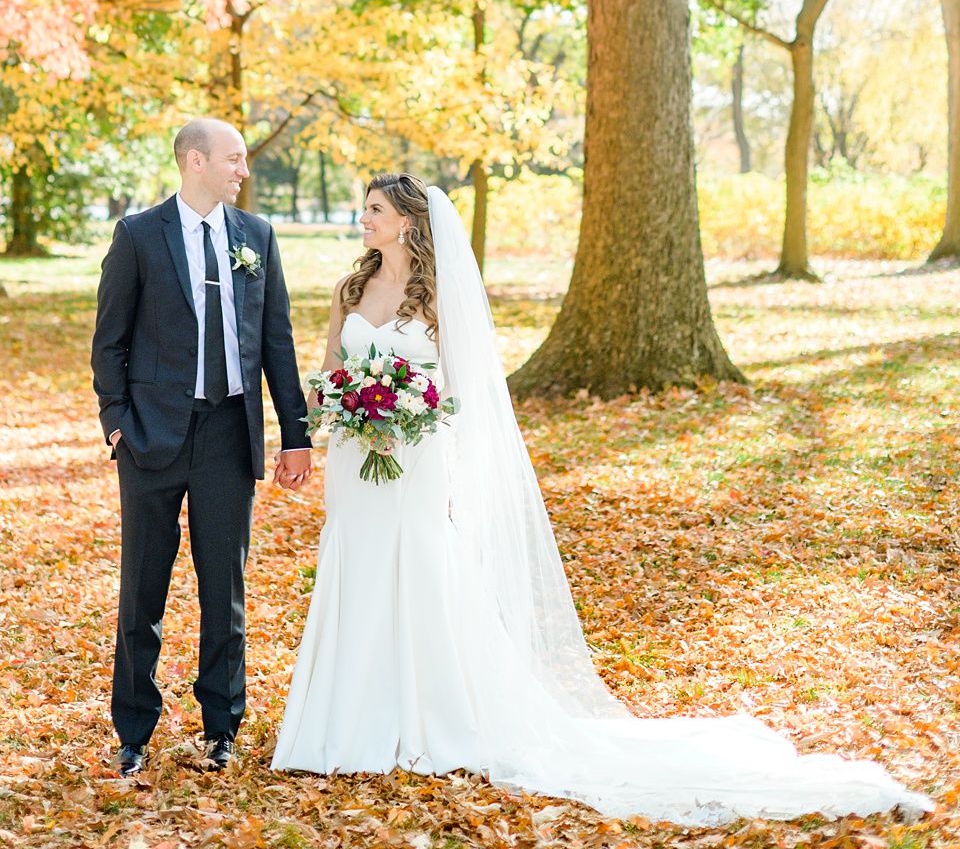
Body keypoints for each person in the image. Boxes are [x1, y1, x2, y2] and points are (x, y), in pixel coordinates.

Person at [273, 174, 928, 824]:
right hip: (357, 459)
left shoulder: (440, 296)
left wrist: (411, 413)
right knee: (355, 565)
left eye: (375, 210)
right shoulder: (350, 289)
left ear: (407, 222)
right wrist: (311, 428)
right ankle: (347, 715)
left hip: (415, 459)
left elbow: (460, 386)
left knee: (418, 566)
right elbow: (329, 368)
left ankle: (427, 715)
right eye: (364, 210)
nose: (364, 219)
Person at [89, 117, 312, 776]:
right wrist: (116, 421)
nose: (242, 170)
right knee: (142, 592)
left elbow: (277, 343)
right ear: (194, 162)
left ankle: (223, 728)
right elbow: (110, 341)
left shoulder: (255, 237)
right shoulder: (137, 236)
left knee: (226, 592)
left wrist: (294, 435)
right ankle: (133, 733)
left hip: (228, 434)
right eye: (233, 159)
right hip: (151, 436)